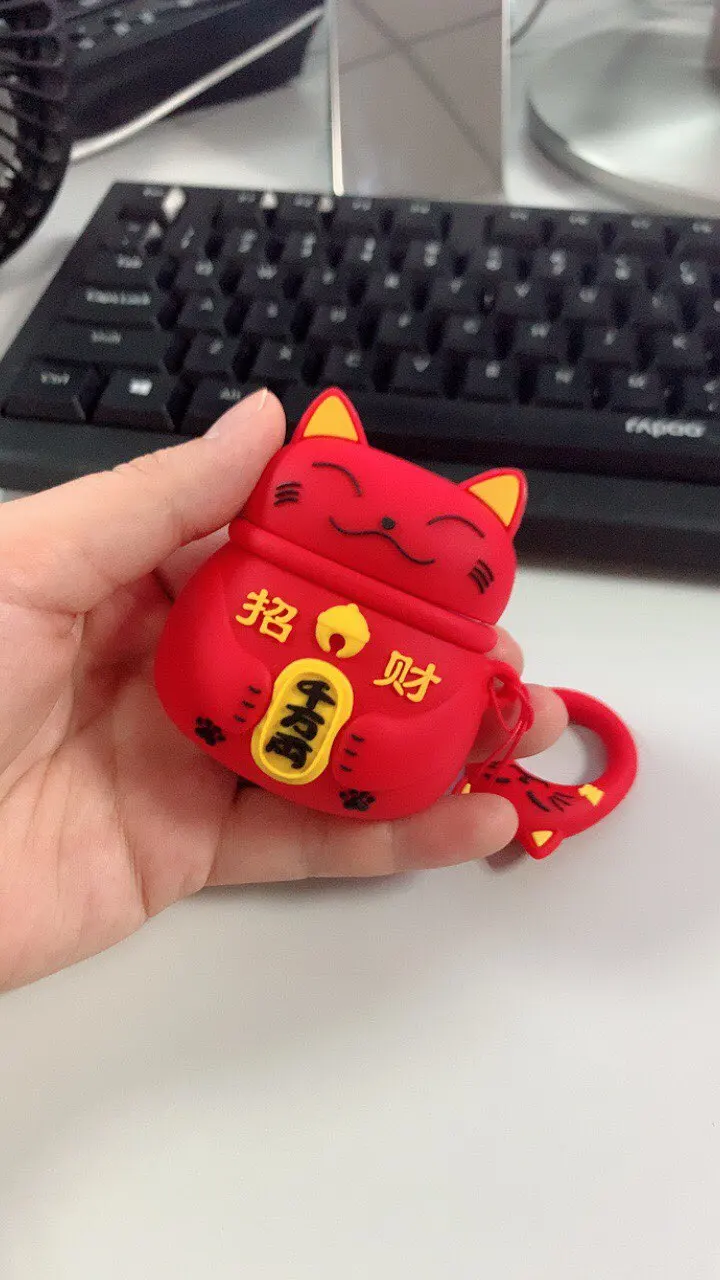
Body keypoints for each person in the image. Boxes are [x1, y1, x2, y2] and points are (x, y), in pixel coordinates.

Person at [0, 390, 567, 991]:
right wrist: (223, 682)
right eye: (343, 487)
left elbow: (437, 725)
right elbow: (208, 631)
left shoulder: (443, 653)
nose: (386, 525)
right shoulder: (249, 572)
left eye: (447, 533)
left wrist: (389, 749)